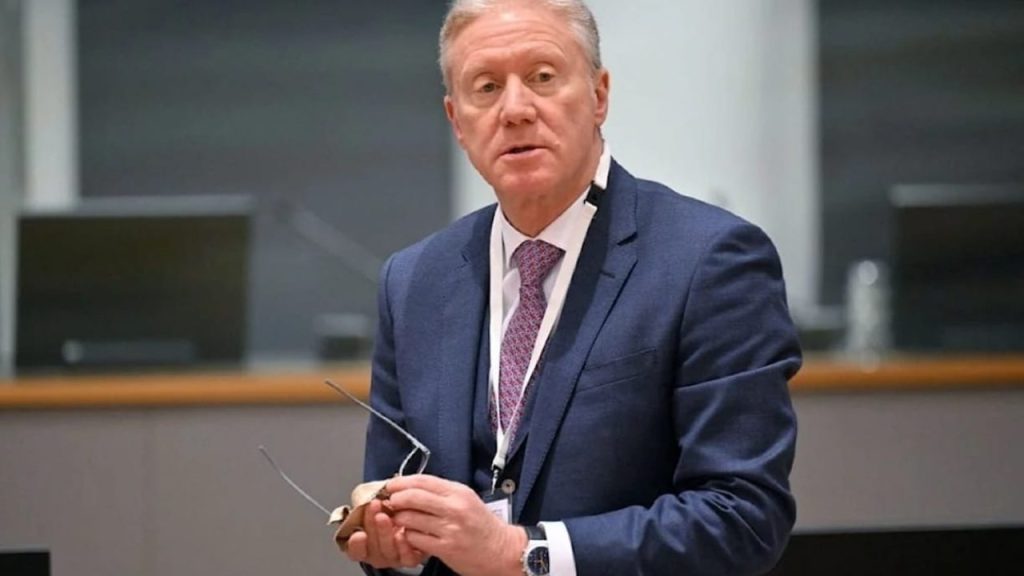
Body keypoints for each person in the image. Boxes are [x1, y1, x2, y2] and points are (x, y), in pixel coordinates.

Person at [343, 1, 801, 575]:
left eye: (542, 77)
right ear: (457, 121)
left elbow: (741, 518)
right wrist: (390, 540)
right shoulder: (414, 280)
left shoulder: (709, 260)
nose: (515, 109)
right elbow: (390, 498)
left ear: (598, 96)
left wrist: (520, 553)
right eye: (486, 87)